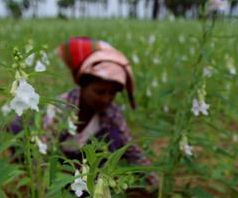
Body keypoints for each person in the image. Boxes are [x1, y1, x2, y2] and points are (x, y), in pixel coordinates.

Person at [11, 37, 157, 188]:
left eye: (112, 93)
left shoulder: (111, 112)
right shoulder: (61, 108)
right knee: (19, 129)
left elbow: (131, 149)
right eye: (99, 92)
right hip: (51, 158)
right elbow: (41, 155)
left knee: (115, 137)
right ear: (82, 86)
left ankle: (81, 182)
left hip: (76, 162)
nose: (106, 99)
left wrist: (154, 181)